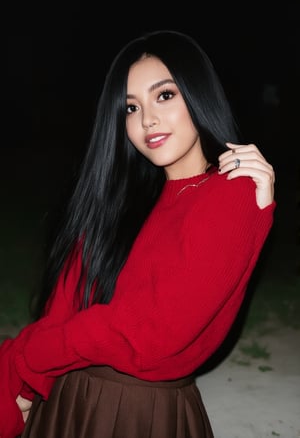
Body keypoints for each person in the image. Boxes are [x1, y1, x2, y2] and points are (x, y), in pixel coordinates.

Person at [0, 29, 275, 438]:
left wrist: (32, 356)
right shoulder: (126, 198)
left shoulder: (230, 191)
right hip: (65, 399)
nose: (147, 119)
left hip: (133, 412)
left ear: (198, 95)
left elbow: (156, 332)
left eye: (164, 95)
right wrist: (23, 381)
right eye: (130, 107)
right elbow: (65, 302)